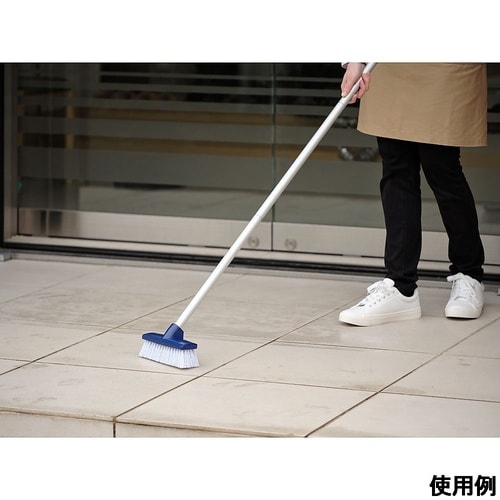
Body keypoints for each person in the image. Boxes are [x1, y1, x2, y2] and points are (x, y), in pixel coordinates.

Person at [338, 63, 487, 326]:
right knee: (396, 168)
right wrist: (355, 60)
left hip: (446, 59)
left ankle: (469, 274)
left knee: (441, 168)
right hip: (391, 63)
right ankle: (400, 286)